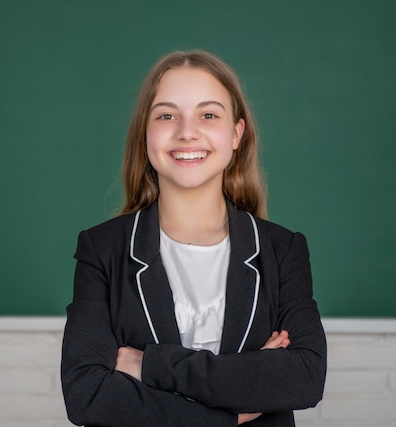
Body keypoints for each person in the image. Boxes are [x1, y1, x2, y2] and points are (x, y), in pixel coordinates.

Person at [61, 49, 326, 426]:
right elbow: (87, 396)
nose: (187, 132)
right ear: (146, 134)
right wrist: (232, 411)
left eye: (208, 115)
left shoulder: (282, 251)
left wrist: (147, 363)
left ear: (236, 133)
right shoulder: (103, 249)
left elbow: (304, 379)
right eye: (167, 115)